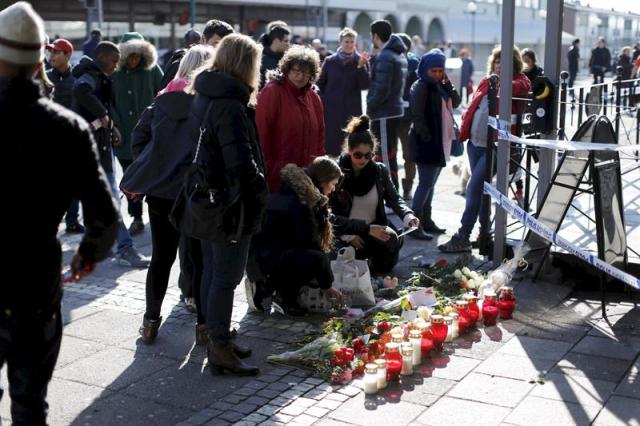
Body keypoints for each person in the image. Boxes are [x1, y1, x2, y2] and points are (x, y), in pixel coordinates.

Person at [0, 3, 118, 423]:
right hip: (36, 278)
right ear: (39, 60)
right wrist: (87, 255)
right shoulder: (66, 127)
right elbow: (105, 216)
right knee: (31, 403)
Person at [191, 33, 268, 376]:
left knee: (212, 272)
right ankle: (219, 346)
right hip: (231, 205)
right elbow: (239, 160)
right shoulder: (231, 103)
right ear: (245, 65)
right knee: (226, 276)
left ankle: (217, 336)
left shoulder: (205, 93)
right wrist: (259, 186)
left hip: (208, 200)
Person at [127, 44, 214, 344]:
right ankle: (204, 327)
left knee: (161, 259)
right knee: (201, 261)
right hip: (195, 193)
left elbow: (137, 141)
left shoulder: (161, 101)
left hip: (162, 195)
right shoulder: (208, 105)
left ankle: (150, 321)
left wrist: (157, 168)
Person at [439, 46, 531, 253]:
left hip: (496, 147)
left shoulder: (519, 82)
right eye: (497, 61)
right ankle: (484, 234)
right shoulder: (487, 81)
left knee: (473, 188)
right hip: (476, 145)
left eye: (504, 62)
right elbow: (473, 106)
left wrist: (500, 82)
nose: (499, 65)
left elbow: (520, 86)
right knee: (481, 192)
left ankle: (463, 236)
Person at [72, 41, 151, 268]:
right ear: (102, 57)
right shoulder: (92, 76)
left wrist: (110, 126)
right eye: (114, 60)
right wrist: (104, 117)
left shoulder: (97, 76)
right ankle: (124, 248)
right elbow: (81, 91)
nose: (116, 66)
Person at [249, 158, 346, 316]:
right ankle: (282, 295)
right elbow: (310, 243)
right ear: (322, 181)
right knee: (317, 259)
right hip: (266, 260)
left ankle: (273, 287)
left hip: (268, 256)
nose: (333, 189)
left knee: (317, 259)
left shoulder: (298, 194)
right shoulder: (302, 202)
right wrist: (327, 286)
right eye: (333, 183)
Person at [330, 115, 419, 275]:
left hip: (375, 228)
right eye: (358, 155)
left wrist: (407, 215)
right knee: (337, 259)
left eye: (368, 155)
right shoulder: (336, 173)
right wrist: (349, 236)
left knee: (391, 240)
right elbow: (331, 215)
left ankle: (376, 269)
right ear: (349, 151)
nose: (363, 159)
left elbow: (394, 198)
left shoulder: (379, 171)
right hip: (346, 233)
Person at [111, 32, 164, 236]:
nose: (133, 60)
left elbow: (164, 94)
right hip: (123, 136)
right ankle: (137, 217)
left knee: (152, 176)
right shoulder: (114, 73)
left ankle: (156, 215)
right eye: (129, 56)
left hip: (149, 136)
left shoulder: (152, 71)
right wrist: (114, 124)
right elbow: (109, 102)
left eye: (137, 56)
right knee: (130, 177)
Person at [256, 45, 325, 191]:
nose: (300, 76)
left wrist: (318, 169)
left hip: (308, 177)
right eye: (296, 71)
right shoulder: (273, 91)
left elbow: (320, 137)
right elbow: (261, 134)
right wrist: (272, 169)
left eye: (306, 72)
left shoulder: (313, 97)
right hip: (279, 178)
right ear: (287, 69)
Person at [409, 49, 461, 240]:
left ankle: (427, 221)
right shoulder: (420, 86)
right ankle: (414, 224)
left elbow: (456, 101)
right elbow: (417, 116)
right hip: (427, 143)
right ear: (425, 69)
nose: (438, 74)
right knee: (425, 184)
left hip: (440, 142)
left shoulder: (440, 85)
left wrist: (447, 83)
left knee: (430, 184)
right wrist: (427, 139)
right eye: (434, 71)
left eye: (441, 70)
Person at [46, 38, 85, 234]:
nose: (51, 56)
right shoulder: (43, 78)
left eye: (56, 52)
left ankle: (72, 220)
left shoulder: (78, 80)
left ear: (67, 55)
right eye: (50, 52)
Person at [367, 19, 407, 190]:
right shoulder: (397, 53)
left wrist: (370, 106)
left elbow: (381, 90)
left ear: (375, 36)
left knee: (384, 157)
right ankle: (392, 195)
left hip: (384, 112)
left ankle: (390, 198)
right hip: (394, 111)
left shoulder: (385, 56)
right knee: (390, 155)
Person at [316, 27, 370, 157]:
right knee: (331, 146)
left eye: (352, 42)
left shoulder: (360, 61)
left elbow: (365, 86)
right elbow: (320, 83)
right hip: (331, 110)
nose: (349, 45)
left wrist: (361, 67)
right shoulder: (330, 61)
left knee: (350, 146)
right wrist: (325, 100)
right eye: (347, 41)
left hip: (352, 111)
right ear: (340, 43)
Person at [397, 33, 420, 200]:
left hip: (407, 118)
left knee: (409, 155)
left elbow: (417, 91)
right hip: (391, 116)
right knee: (388, 154)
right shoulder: (389, 60)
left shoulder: (413, 63)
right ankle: (391, 187)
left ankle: (407, 187)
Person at [258, 20, 290, 87]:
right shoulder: (260, 58)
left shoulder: (287, 58)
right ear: (276, 40)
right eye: (286, 41)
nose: (288, 44)